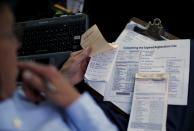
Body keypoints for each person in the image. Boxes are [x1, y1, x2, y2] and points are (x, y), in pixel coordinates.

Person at [0, 2, 118, 131]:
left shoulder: (17, 95)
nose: (17, 44)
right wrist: (73, 100)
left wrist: (63, 79)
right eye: (9, 35)